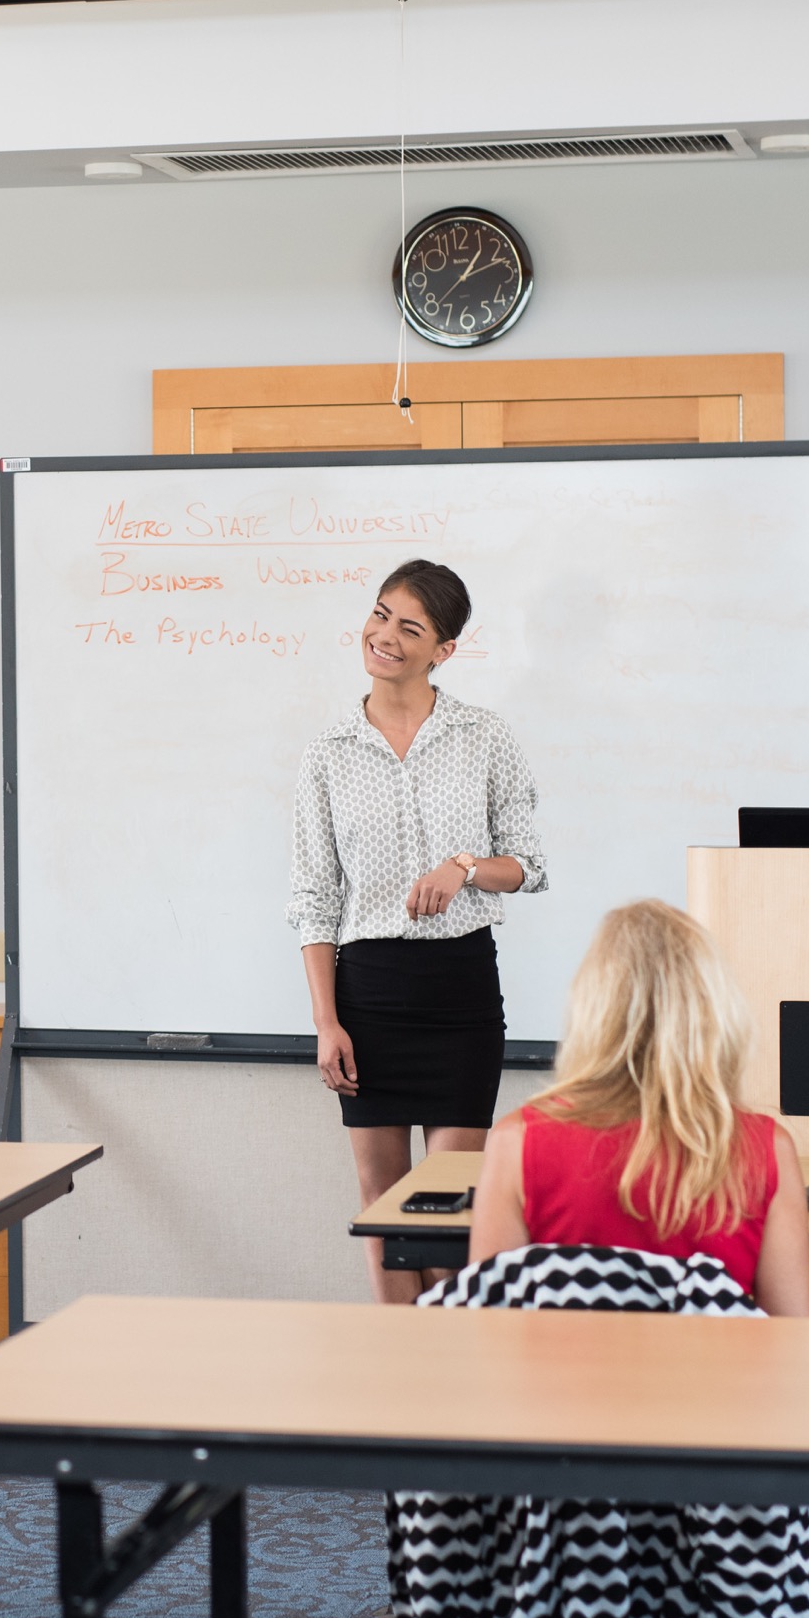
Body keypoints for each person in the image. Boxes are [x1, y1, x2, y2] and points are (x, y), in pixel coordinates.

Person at [432, 898, 809, 1618]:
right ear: (712, 1008)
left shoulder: (520, 1141)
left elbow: (485, 1341)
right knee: (702, 1436)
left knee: (592, 1443)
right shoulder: (762, 1148)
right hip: (717, 1482)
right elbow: (793, 1353)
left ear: (593, 1011)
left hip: (569, 1478)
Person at [290, 558, 548, 1303]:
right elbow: (314, 899)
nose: (386, 636)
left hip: (460, 991)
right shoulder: (328, 753)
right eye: (380, 615)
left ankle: (453, 1373)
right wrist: (326, 1020)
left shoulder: (483, 737)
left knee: (451, 1212)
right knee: (384, 1209)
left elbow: (528, 865)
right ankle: (397, 1376)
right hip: (366, 994)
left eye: (411, 627)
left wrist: (464, 865)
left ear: (445, 649)